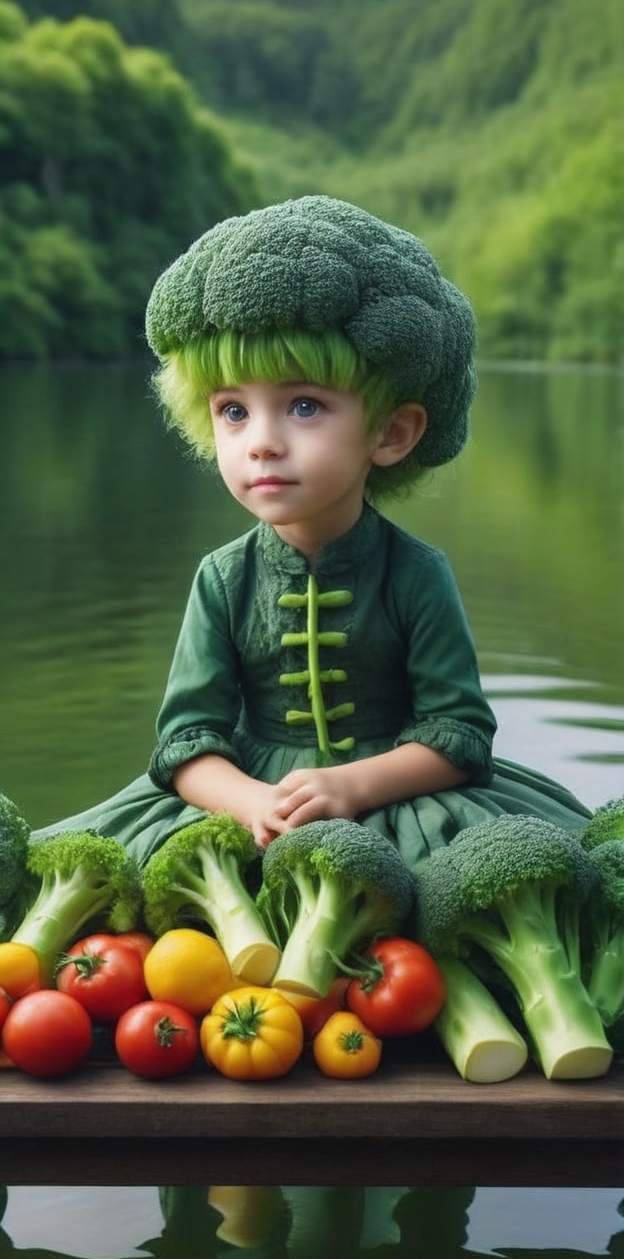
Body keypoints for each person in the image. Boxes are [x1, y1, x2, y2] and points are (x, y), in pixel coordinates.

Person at [33, 194, 590, 866]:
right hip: (247, 803)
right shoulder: (223, 579)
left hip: (398, 801)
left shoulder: (415, 573)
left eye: (304, 406)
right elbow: (185, 744)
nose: (261, 443)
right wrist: (249, 802)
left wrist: (352, 785)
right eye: (233, 411)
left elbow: (459, 735)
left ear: (391, 432)